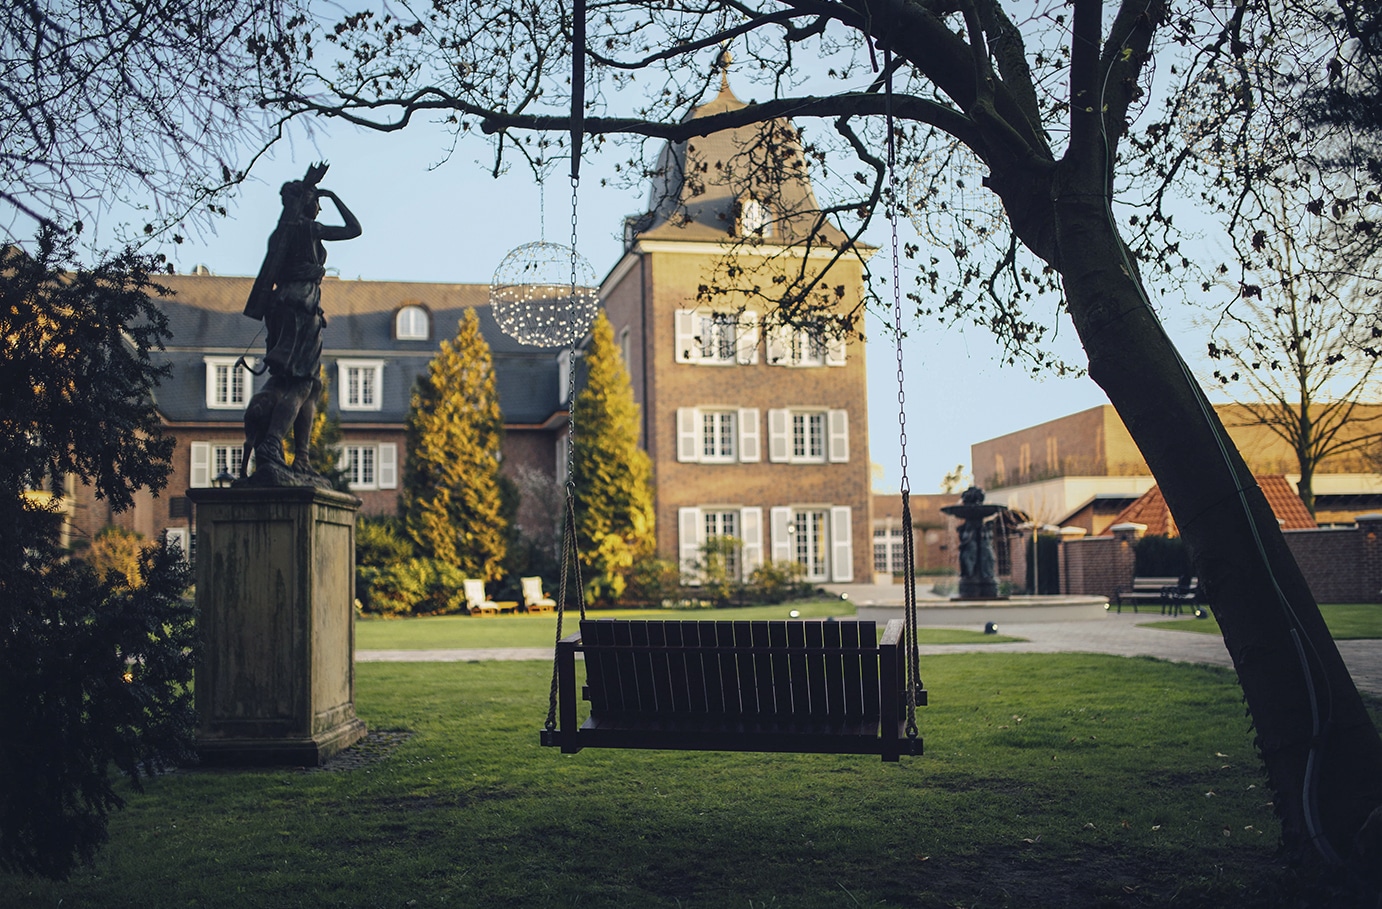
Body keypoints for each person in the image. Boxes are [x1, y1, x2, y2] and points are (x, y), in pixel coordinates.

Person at [239, 163, 361, 485]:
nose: (319, 205)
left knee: (303, 383)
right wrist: (331, 194)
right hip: (300, 308)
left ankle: (300, 458)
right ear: (307, 202)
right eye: (316, 201)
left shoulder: (281, 233)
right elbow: (354, 229)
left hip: (288, 308)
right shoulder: (306, 229)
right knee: (304, 382)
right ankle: (272, 443)